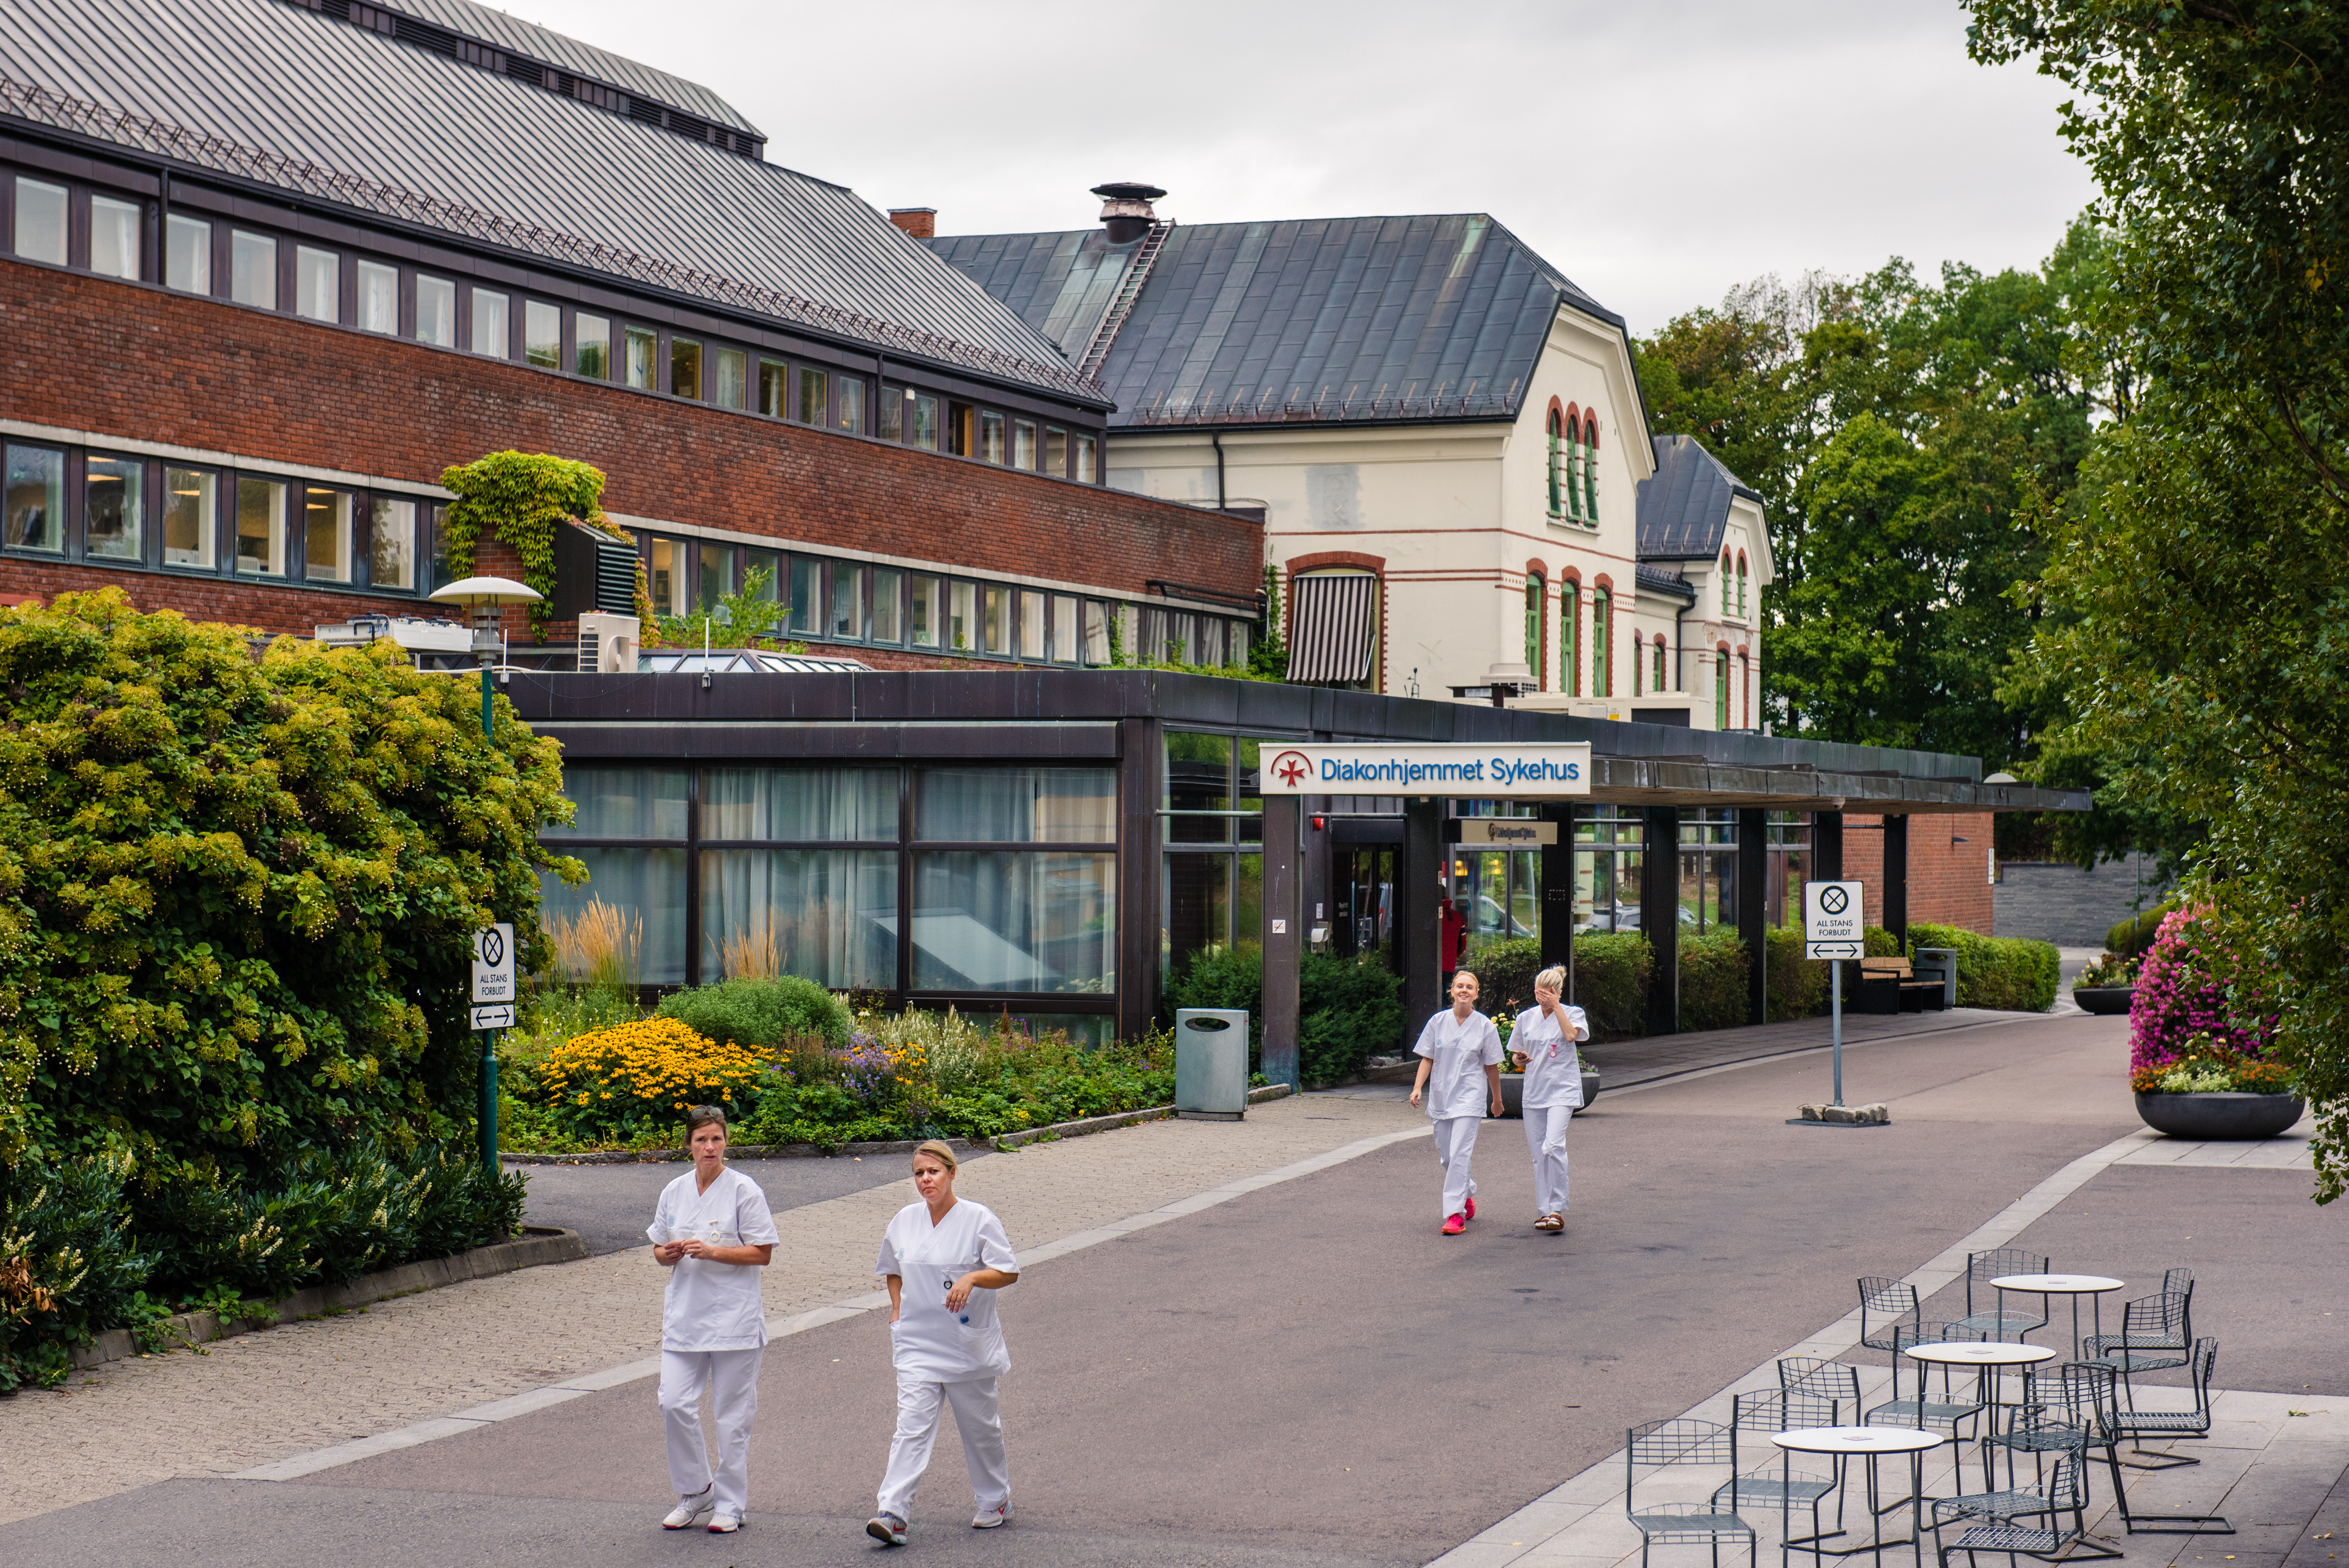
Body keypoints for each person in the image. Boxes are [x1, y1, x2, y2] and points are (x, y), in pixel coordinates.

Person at [866, 1139, 1021, 1547]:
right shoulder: (904, 1220)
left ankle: (995, 1499)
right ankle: (893, 1512)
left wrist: (971, 1278)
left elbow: (1007, 1271)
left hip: (965, 1344)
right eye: (919, 1173)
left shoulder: (978, 1218)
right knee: (910, 1428)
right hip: (918, 1342)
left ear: (952, 1172)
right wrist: (898, 1308)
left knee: (980, 1429)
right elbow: (893, 1269)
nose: (925, 1179)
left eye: (933, 1171)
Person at [649, 1105, 779, 1535]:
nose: (710, 1147)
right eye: (702, 1139)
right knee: (673, 1401)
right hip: (685, 1318)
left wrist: (713, 1250)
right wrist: (665, 1254)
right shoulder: (674, 1190)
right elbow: (658, 1245)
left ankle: (730, 1504)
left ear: (726, 1141)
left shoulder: (744, 1190)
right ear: (688, 1143)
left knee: (732, 1415)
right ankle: (696, 1489)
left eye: (717, 1139)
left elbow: (762, 1251)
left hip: (734, 1321)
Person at [1409, 969, 1504, 1235]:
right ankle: (1466, 1193)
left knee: (1460, 1154)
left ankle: (1454, 1214)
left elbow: (1492, 1067)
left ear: (1476, 994)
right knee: (1448, 1157)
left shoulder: (1485, 1026)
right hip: (1441, 1097)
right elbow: (1428, 1058)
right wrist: (1418, 1088)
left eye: (1470, 987)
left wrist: (1497, 1100)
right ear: (1451, 991)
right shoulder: (1437, 1022)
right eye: (1460, 986)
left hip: (1470, 1098)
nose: (1464, 991)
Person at [1510, 964, 1588, 1233]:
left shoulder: (1573, 1013)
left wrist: (1557, 1008)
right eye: (1538, 993)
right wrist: (1519, 1059)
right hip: (1534, 1091)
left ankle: (1557, 1209)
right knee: (1538, 1154)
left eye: (1547, 993)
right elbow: (1515, 1055)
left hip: (1563, 1090)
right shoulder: (1526, 1018)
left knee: (1553, 1145)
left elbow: (1570, 1036)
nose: (1541, 998)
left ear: (1557, 992)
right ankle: (1544, 1212)